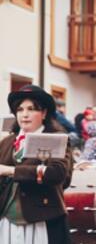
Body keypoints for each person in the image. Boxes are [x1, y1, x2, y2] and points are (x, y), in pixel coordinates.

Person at [0, 85, 73, 243]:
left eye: (31, 109)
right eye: (20, 109)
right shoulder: (7, 142)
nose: (24, 115)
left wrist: (11, 171)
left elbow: (58, 174)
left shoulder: (56, 139)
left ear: (44, 113)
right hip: (7, 220)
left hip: (42, 221)